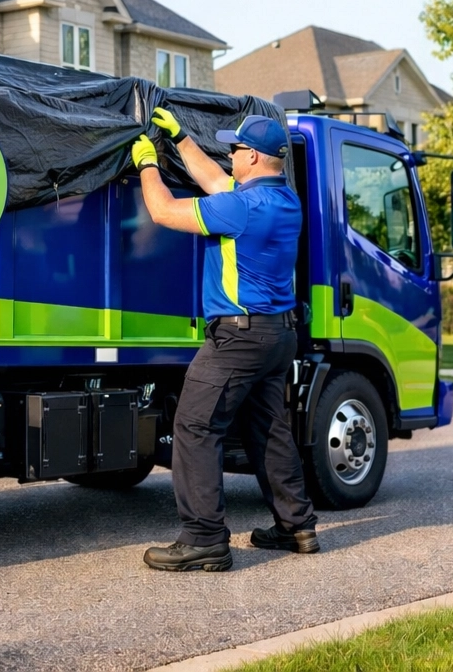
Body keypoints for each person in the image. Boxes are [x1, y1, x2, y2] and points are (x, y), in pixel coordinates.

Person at [130, 108, 318, 572]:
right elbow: (214, 181)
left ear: (252, 157)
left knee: (195, 427)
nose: (229, 154)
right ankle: (296, 525)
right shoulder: (284, 200)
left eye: (234, 148)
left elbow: (161, 211)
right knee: (270, 429)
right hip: (278, 335)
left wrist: (147, 164)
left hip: (238, 337)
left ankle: (204, 539)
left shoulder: (241, 208)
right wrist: (181, 139)